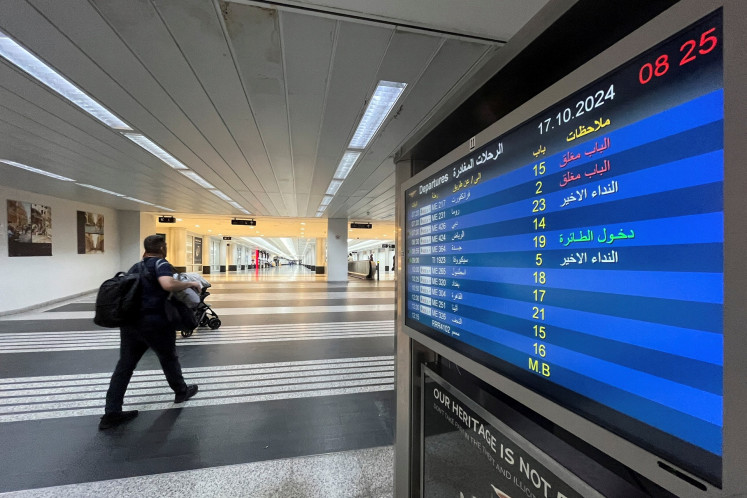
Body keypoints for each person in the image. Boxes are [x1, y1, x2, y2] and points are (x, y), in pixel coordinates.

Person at [99, 234, 203, 430]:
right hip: (156, 323)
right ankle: (181, 391)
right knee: (169, 357)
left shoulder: (135, 267)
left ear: (145, 250)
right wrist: (191, 283)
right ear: (163, 249)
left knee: (125, 366)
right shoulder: (161, 264)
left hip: (131, 325)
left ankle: (111, 412)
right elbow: (167, 284)